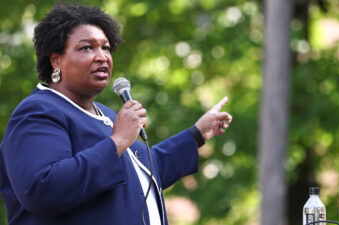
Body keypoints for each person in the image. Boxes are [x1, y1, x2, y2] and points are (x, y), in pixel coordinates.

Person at [0, 3, 232, 225]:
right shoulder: (39, 111)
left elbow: (145, 174)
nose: (102, 56)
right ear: (56, 60)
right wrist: (118, 141)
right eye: (87, 47)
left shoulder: (108, 116)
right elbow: (41, 188)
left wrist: (196, 134)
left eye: (106, 47)